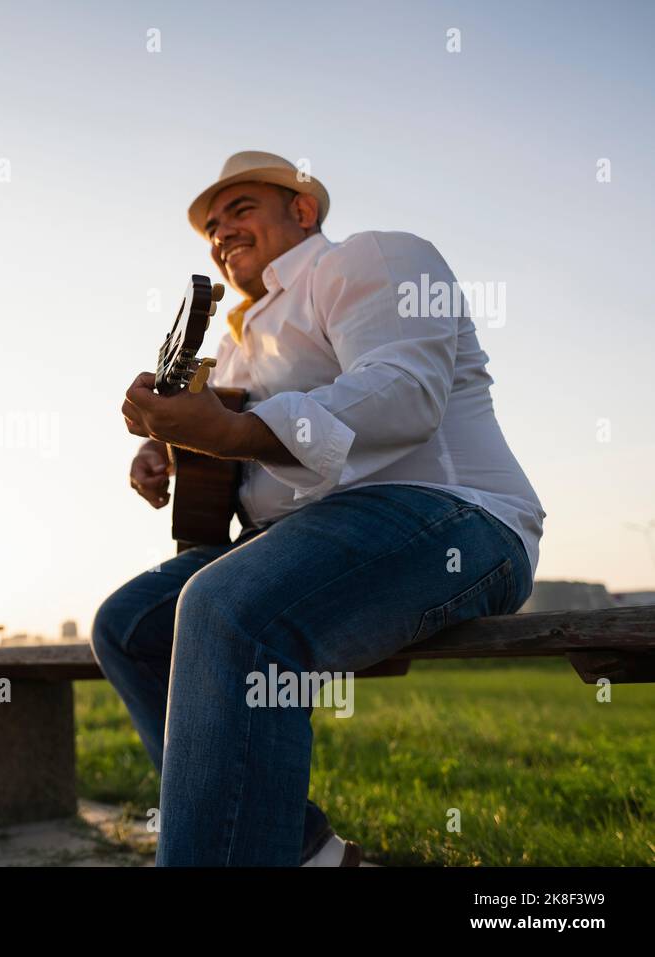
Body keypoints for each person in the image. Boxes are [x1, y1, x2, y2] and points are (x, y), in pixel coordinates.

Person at [93, 151, 544, 866]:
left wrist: (231, 431)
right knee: (127, 626)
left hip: (453, 517)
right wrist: (169, 449)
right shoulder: (232, 346)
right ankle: (307, 854)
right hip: (291, 538)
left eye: (240, 209)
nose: (221, 232)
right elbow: (229, 432)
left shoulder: (375, 257)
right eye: (211, 226)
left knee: (227, 605)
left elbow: (402, 394)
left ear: (301, 210)